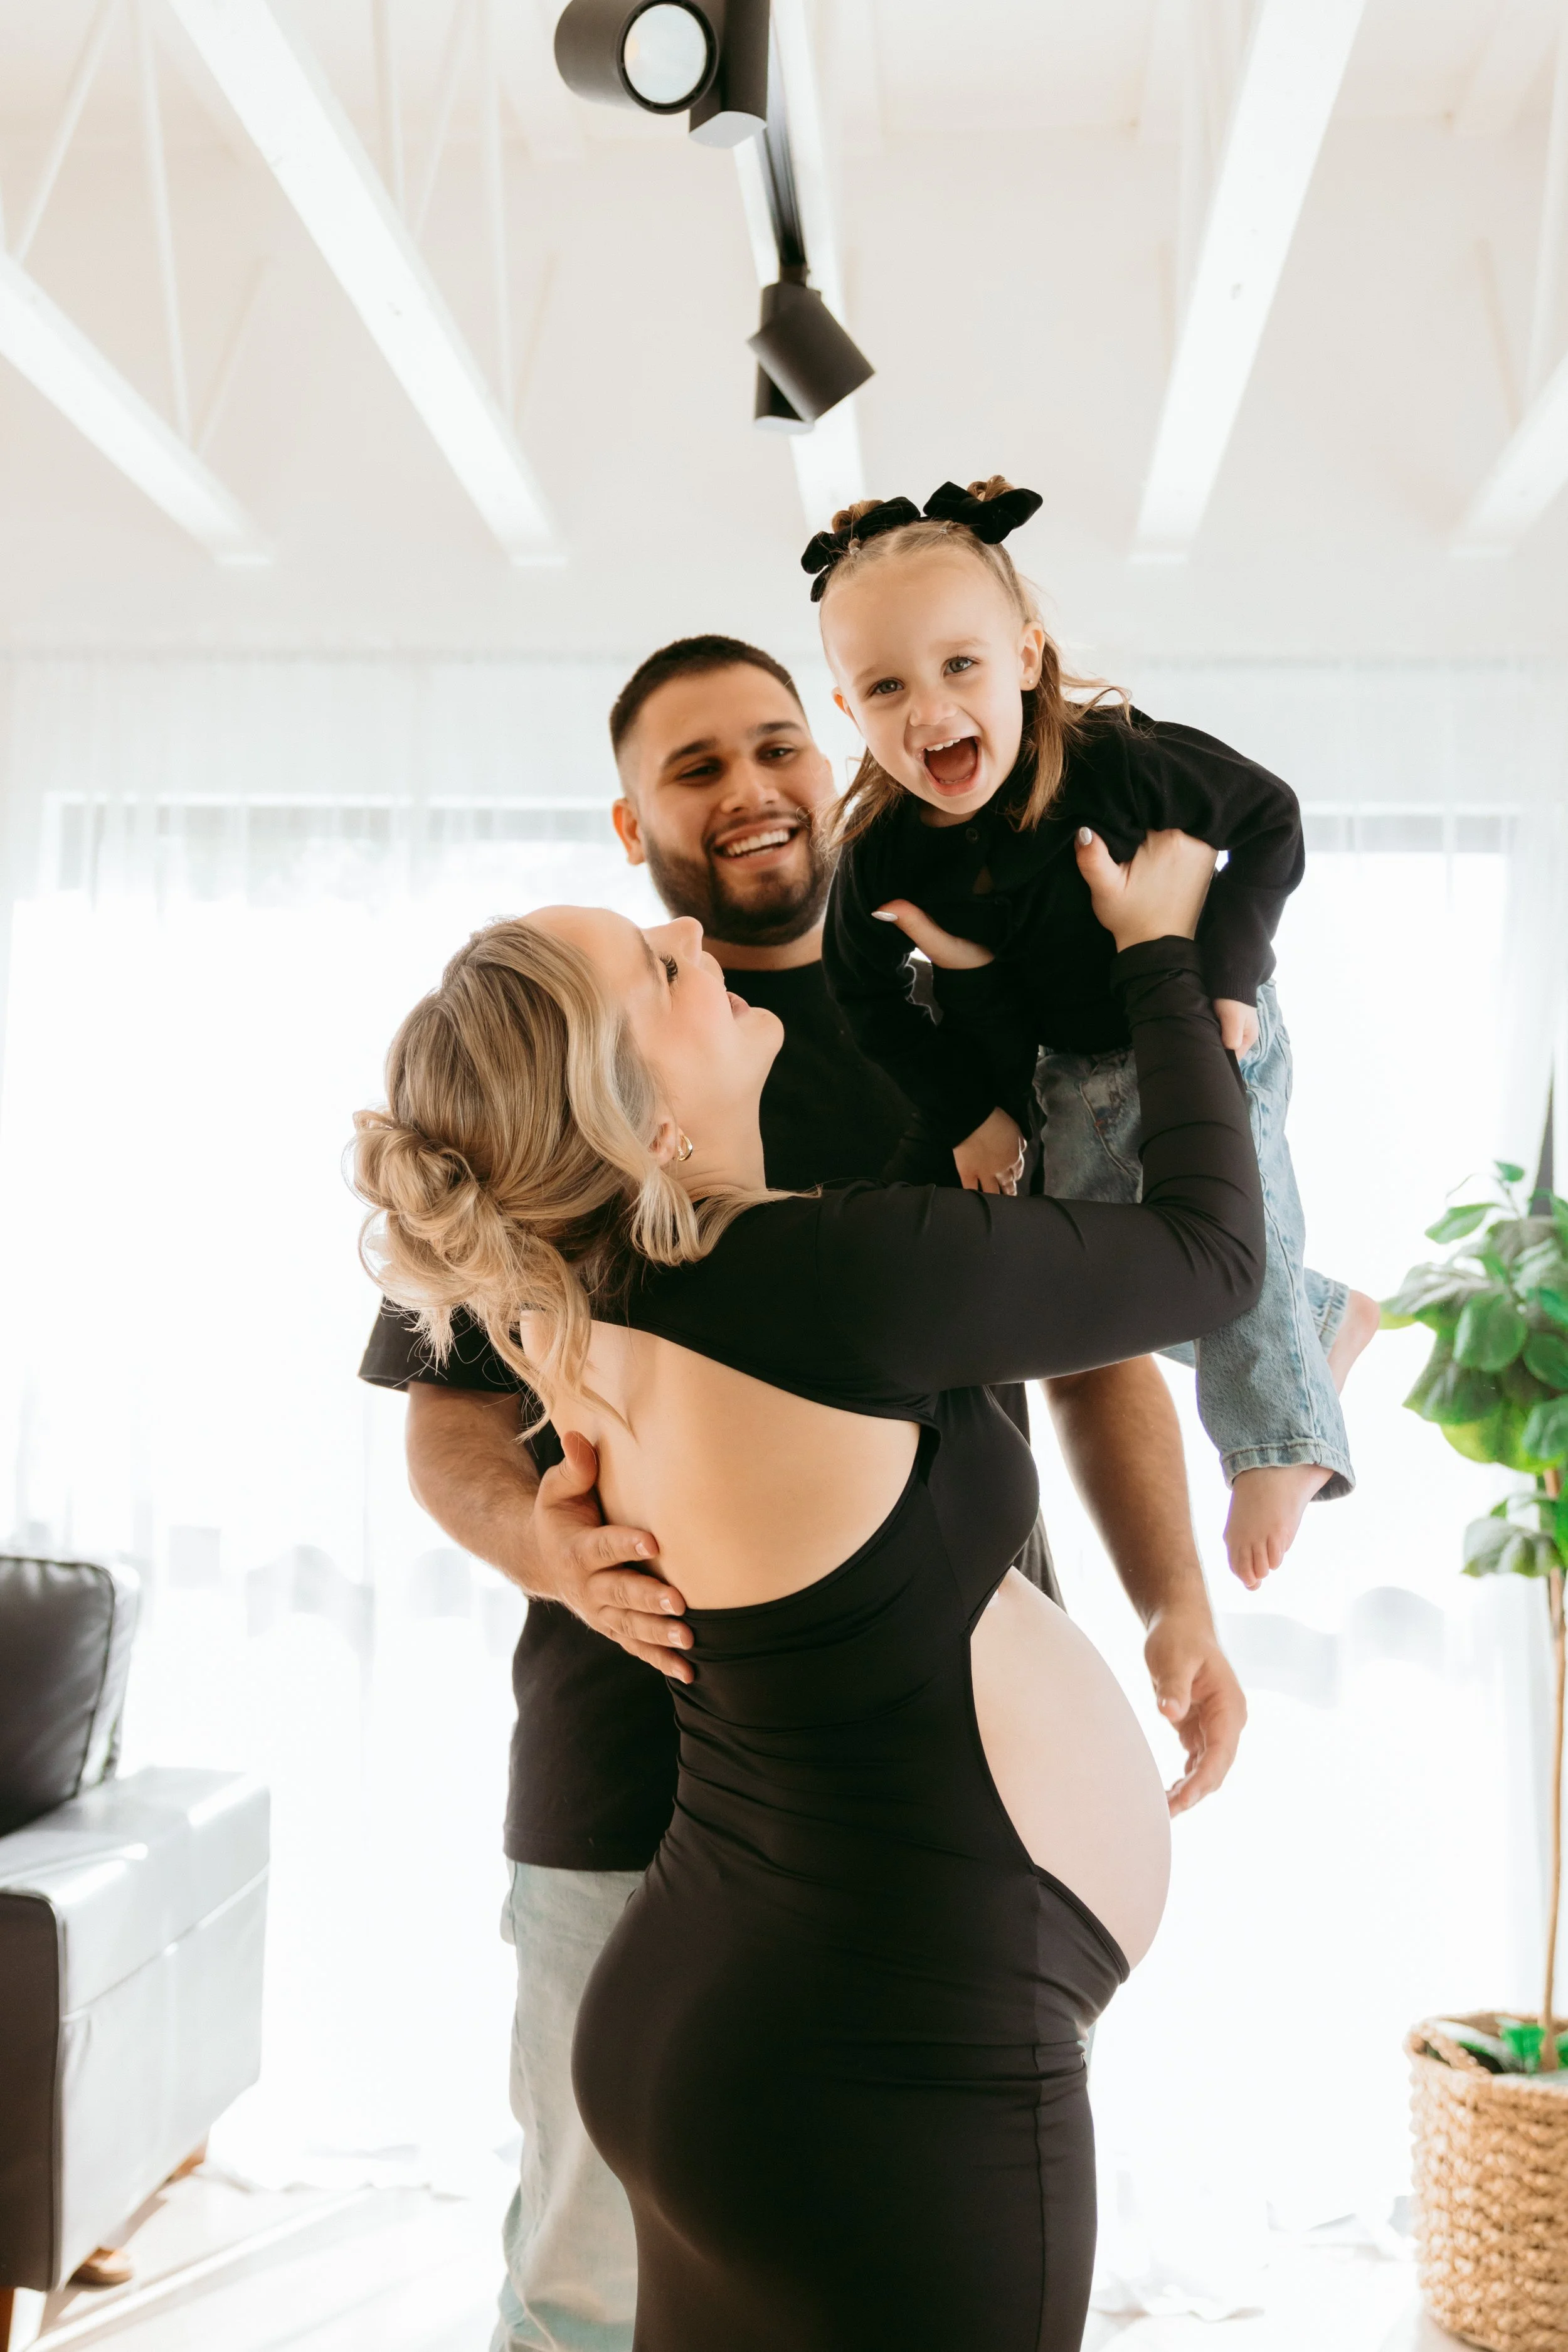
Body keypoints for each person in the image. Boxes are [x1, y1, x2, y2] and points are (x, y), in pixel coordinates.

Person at [358, 636, 1248, 2352]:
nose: (749, 787)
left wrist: (1170, 1595)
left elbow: (1089, 1340)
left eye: (778, 743)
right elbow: (445, 1429)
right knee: (573, 2293)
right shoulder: (546, 1127)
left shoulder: (935, 1047)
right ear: (631, 822)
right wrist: (544, 1540)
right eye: (694, 767)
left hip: (906, 1873)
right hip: (647, 1815)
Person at [810, 477, 1379, 1587]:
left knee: (1227, 1245)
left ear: (1026, 656)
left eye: (959, 665)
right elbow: (864, 997)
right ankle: (1320, 1315)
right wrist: (970, 1112)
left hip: (1206, 1031)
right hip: (1073, 1073)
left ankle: (1280, 1447)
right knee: (1106, 1278)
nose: (928, 711)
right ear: (847, 709)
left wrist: (1229, 972)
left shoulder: (1118, 760)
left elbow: (1271, 819)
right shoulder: (885, 853)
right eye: (886, 686)